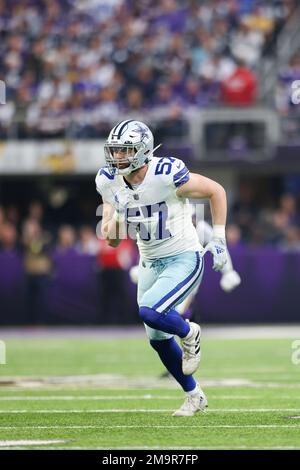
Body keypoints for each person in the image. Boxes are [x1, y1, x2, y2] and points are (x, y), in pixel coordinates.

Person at [95, 120, 229, 417]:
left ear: (142, 151)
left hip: (183, 256)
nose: (117, 157)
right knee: (156, 337)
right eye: (115, 150)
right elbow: (113, 240)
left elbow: (216, 190)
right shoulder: (108, 180)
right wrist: (117, 213)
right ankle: (194, 395)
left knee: (151, 312)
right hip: (149, 261)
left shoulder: (166, 173)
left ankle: (190, 332)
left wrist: (218, 238)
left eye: (125, 150)